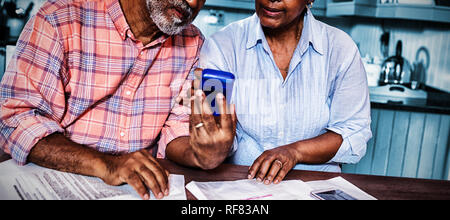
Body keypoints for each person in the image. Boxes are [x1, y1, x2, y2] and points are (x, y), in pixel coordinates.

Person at [0, 0, 221, 200]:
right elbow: (16, 119)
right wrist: (106, 165)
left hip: (138, 190)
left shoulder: (193, 42)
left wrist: (201, 153)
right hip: (56, 180)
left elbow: (177, 129)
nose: (193, 2)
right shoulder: (60, 18)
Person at [165, 0, 372, 185]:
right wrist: (212, 146)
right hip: (244, 184)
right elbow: (210, 127)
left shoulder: (340, 48)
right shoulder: (221, 45)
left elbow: (353, 131)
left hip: (317, 185)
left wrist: (294, 152)